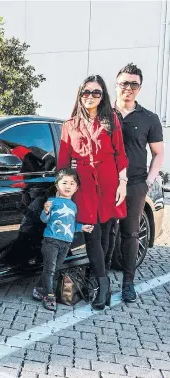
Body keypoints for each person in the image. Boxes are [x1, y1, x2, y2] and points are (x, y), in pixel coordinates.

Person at [57, 75, 129, 310]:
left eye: (95, 93)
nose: (90, 96)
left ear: (103, 96)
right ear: (80, 95)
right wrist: (62, 192)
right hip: (84, 185)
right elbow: (63, 162)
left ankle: (100, 282)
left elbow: (120, 154)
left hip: (109, 182)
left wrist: (122, 183)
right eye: (86, 92)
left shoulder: (112, 120)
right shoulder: (69, 125)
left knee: (107, 232)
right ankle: (103, 284)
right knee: (92, 234)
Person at [113, 63, 164, 302]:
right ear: (117, 85)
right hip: (104, 183)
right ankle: (97, 280)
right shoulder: (103, 114)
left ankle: (128, 283)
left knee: (130, 233)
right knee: (102, 232)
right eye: (124, 83)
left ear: (140, 88)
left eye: (134, 84)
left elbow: (158, 153)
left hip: (134, 184)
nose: (129, 88)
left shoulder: (149, 118)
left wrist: (148, 181)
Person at [32, 168, 93, 311]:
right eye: (64, 182)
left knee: (55, 268)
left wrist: (82, 227)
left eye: (72, 183)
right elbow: (44, 220)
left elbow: (71, 225)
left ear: (77, 187)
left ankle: (39, 288)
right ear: (57, 185)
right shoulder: (52, 201)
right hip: (51, 240)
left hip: (66, 243)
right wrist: (46, 211)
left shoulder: (73, 206)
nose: (68, 186)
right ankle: (49, 295)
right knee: (50, 268)